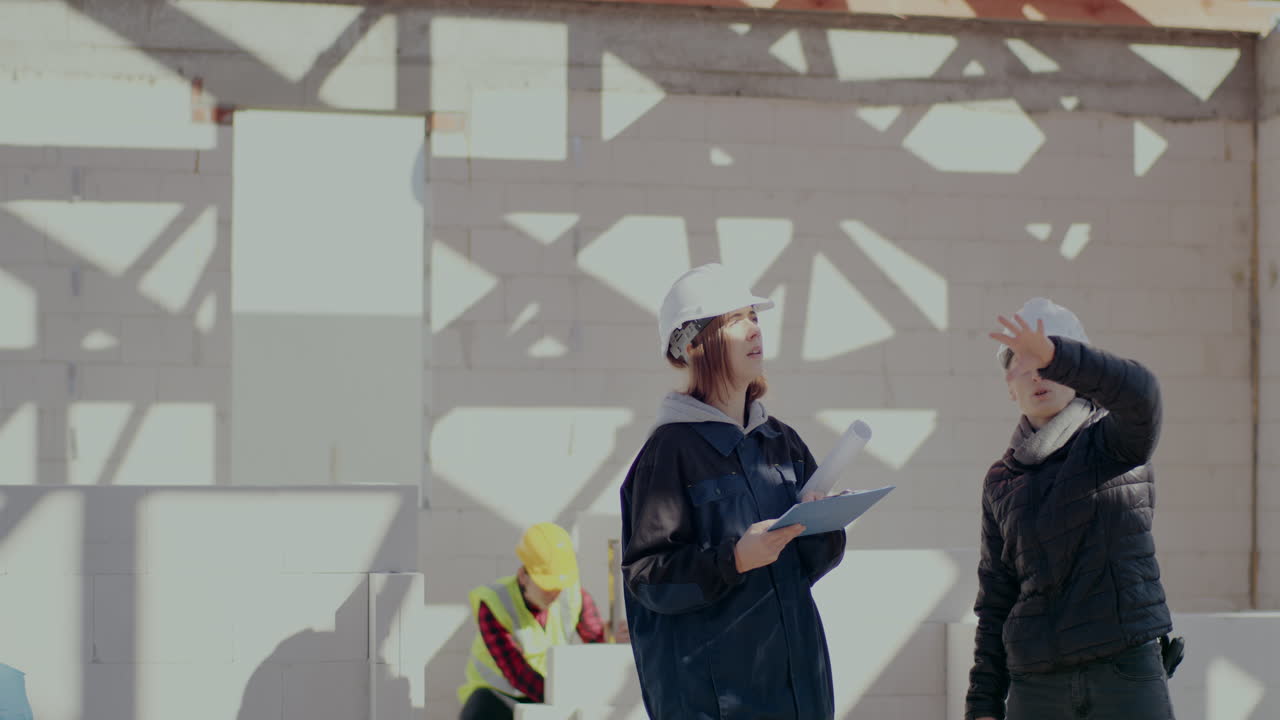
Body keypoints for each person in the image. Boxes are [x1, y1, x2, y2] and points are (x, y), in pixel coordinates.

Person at [620, 263, 847, 720]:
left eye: (755, 317)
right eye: (736, 319)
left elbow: (808, 568)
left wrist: (823, 525)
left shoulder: (779, 441)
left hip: (800, 693)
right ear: (696, 344)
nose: (754, 330)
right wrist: (736, 558)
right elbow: (649, 578)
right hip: (717, 703)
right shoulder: (669, 453)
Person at [967, 298, 1175, 720]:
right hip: (1036, 686)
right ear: (1009, 386)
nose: (1036, 372)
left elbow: (1144, 395)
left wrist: (1058, 357)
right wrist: (983, 705)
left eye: (1044, 359)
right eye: (1021, 362)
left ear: (1075, 373)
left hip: (1123, 674)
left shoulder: (1114, 441)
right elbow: (996, 599)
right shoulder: (1000, 480)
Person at [457, 522, 624, 719]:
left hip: (547, 694)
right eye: (547, 585)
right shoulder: (494, 603)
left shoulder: (573, 596)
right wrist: (563, 698)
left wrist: (612, 644)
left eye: (559, 585)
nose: (554, 592)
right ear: (523, 576)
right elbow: (517, 671)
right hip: (496, 698)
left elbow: (595, 644)